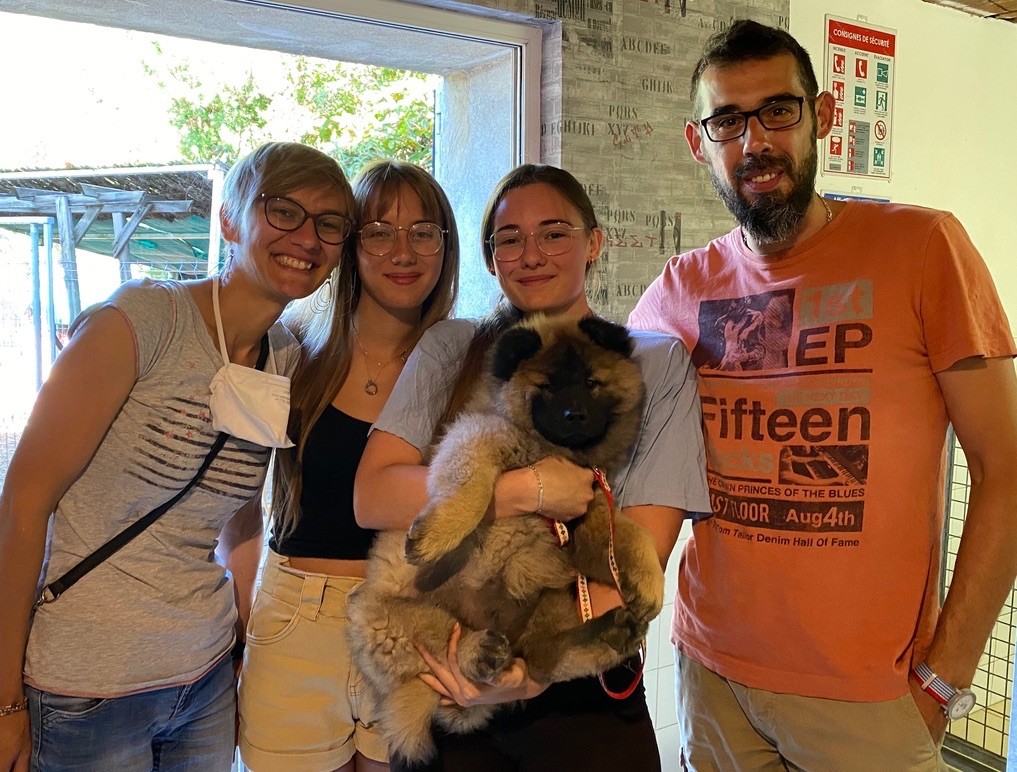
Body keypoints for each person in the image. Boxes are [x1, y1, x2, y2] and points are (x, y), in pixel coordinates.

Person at [627, 19, 1017, 770]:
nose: (755, 142)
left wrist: (947, 675)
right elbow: (598, 419)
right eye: (727, 121)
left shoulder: (923, 248)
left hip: (871, 696)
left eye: (778, 110)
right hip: (712, 677)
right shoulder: (679, 287)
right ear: (698, 142)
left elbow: (1006, 471)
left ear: (823, 116)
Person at [0, 141, 355, 772]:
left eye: (329, 223)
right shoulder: (143, 321)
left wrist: (246, 645)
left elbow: (239, 516)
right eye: (282, 211)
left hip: (205, 676)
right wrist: (3, 700)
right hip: (89, 680)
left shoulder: (284, 357)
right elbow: (23, 503)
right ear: (230, 221)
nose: (306, 237)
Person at [354, 163, 712, 771]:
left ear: (594, 242)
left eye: (553, 233)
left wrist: (538, 668)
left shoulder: (651, 361)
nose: (531, 254)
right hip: (457, 658)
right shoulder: (452, 348)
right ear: (491, 258)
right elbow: (373, 494)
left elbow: (640, 553)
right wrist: (524, 490)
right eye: (510, 239)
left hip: (579, 679)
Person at [237, 159, 460, 772]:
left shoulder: (463, 363)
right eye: (379, 232)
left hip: (412, 621)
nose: (402, 252)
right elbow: (237, 498)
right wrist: (242, 613)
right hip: (296, 620)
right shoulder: (295, 351)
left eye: (423, 232)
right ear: (350, 247)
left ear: (446, 246)